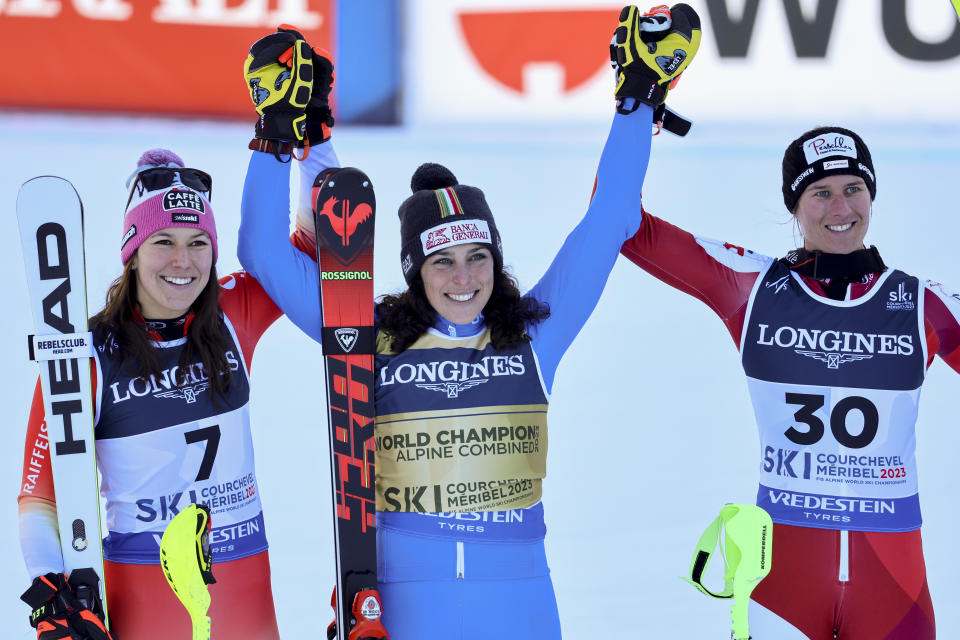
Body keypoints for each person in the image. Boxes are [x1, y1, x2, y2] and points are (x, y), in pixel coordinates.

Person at [237, 6, 701, 638]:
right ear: (413, 269)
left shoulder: (536, 334)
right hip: (404, 600)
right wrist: (281, 136)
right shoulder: (369, 339)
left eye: (478, 258)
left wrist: (638, 101)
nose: (464, 278)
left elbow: (612, 217)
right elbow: (263, 250)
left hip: (520, 599)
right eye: (444, 261)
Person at [620, 125, 960, 638]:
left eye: (853, 189)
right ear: (794, 207)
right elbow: (622, 224)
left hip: (893, 591)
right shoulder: (751, 289)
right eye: (820, 193)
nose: (840, 208)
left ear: (872, 196)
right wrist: (638, 111)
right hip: (786, 588)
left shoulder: (921, 305)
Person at [16, 146, 320, 639]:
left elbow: (306, 251)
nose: (184, 261)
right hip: (145, 591)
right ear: (132, 252)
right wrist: (50, 594)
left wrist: (294, 145)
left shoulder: (231, 314)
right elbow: (38, 497)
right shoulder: (86, 357)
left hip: (242, 584)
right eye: (164, 241)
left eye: (199, 242)